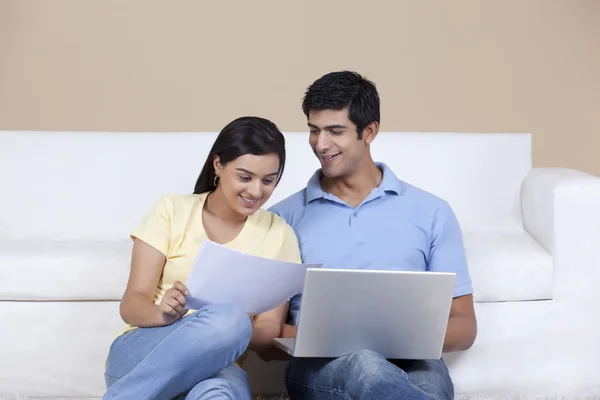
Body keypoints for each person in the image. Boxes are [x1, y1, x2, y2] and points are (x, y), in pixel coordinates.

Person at [267, 71, 478, 400]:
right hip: (321, 365)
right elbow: (268, 332)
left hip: (416, 362)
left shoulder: (432, 212)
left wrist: (390, 337)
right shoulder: (284, 218)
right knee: (368, 367)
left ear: (369, 131)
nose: (321, 144)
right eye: (314, 130)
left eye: (335, 131)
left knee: (429, 388)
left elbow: (464, 326)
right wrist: (340, 338)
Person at [102, 116, 301, 399]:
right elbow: (132, 304)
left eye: (268, 180)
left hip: (215, 366)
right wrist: (164, 313)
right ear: (218, 165)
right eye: (245, 177)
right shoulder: (172, 210)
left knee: (221, 390)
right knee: (229, 323)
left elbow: (267, 330)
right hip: (139, 356)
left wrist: (237, 326)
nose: (256, 191)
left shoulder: (280, 234)